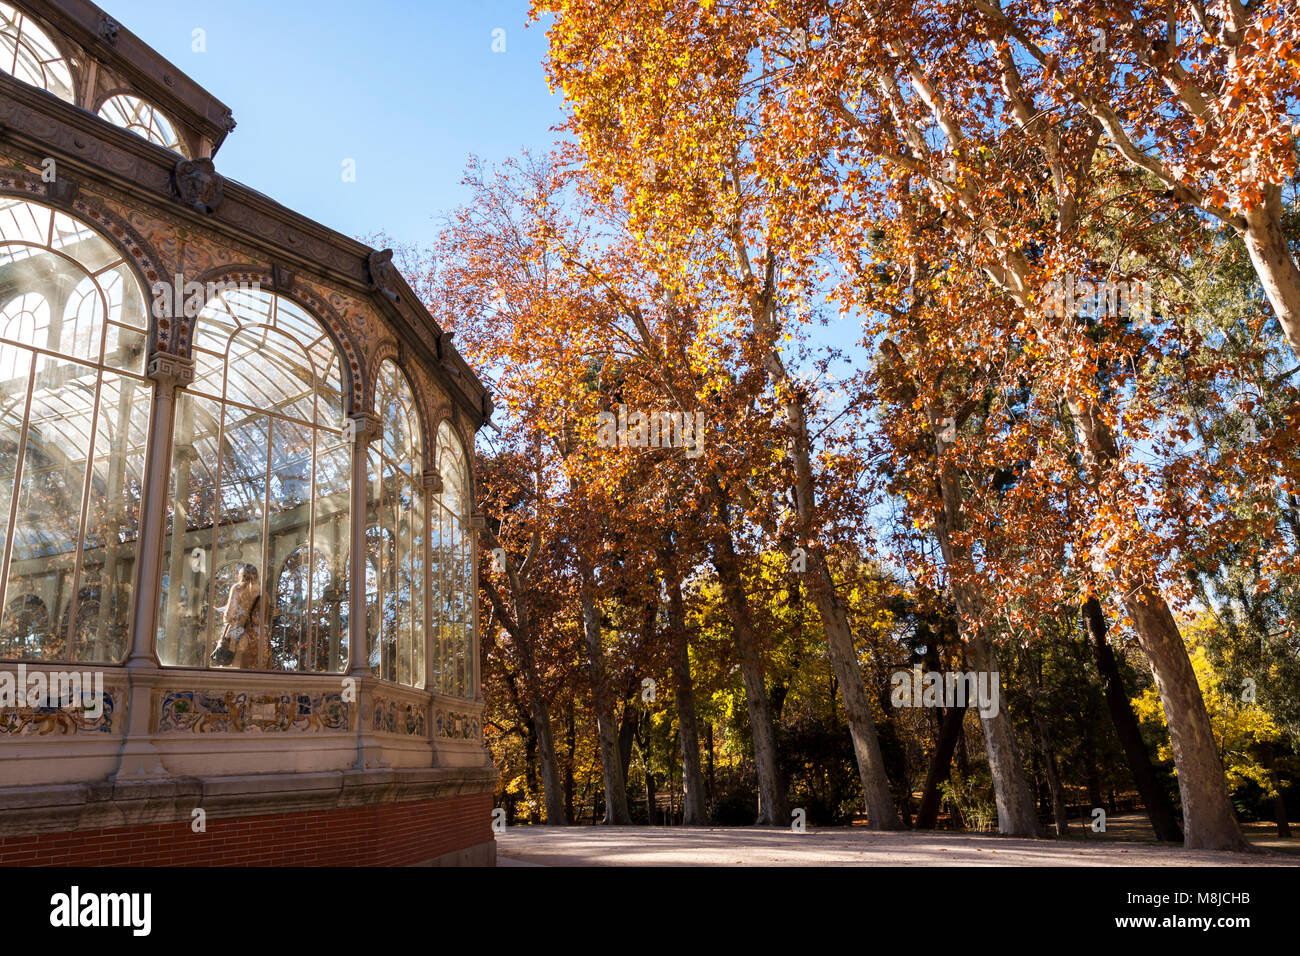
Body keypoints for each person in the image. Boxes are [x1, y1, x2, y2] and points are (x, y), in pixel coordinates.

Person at [216, 564, 266, 669]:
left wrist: (225, 616)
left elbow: (229, 614)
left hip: (237, 631)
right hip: (258, 635)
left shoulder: (237, 589)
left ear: (241, 575)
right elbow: (264, 619)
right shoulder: (263, 594)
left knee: (231, 669)